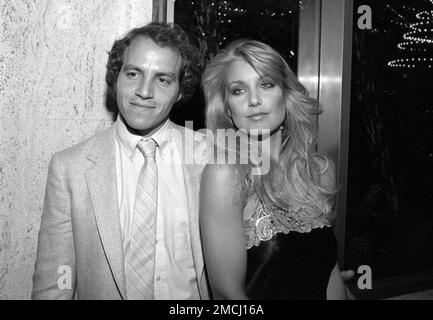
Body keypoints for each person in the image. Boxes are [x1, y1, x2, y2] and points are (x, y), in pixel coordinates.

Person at [32, 22, 210, 300]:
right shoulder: (70, 168)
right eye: (133, 73)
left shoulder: (211, 157)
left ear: (180, 91)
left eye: (163, 79)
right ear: (116, 78)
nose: (144, 91)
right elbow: (57, 278)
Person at [199, 39, 347, 300]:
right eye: (238, 90)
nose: (254, 100)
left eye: (266, 85)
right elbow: (226, 294)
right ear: (228, 110)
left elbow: (328, 270)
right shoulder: (226, 176)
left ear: (286, 94)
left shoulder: (320, 171)